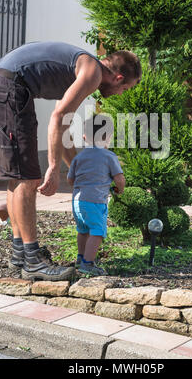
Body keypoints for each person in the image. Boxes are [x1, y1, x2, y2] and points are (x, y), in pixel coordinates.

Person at [0, 42, 141, 281]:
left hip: (1, 88)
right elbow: (57, 118)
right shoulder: (92, 72)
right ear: (118, 78)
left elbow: (63, 123)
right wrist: (54, 167)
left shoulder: (81, 69)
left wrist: (77, 166)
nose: (121, 94)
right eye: (126, 89)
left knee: (18, 176)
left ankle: (20, 256)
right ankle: (33, 260)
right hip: (9, 89)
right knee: (28, 178)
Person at [67, 114, 125, 276]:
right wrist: (120, 190)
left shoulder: (79, 157)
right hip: (95, 202)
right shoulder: (109, 156)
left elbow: (70, 180)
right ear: (108, 138)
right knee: (97, 231)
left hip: (77, 202)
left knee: (83, 230)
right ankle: (88, 263)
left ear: (85, 137)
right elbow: (119, 178)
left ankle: (80, 258)